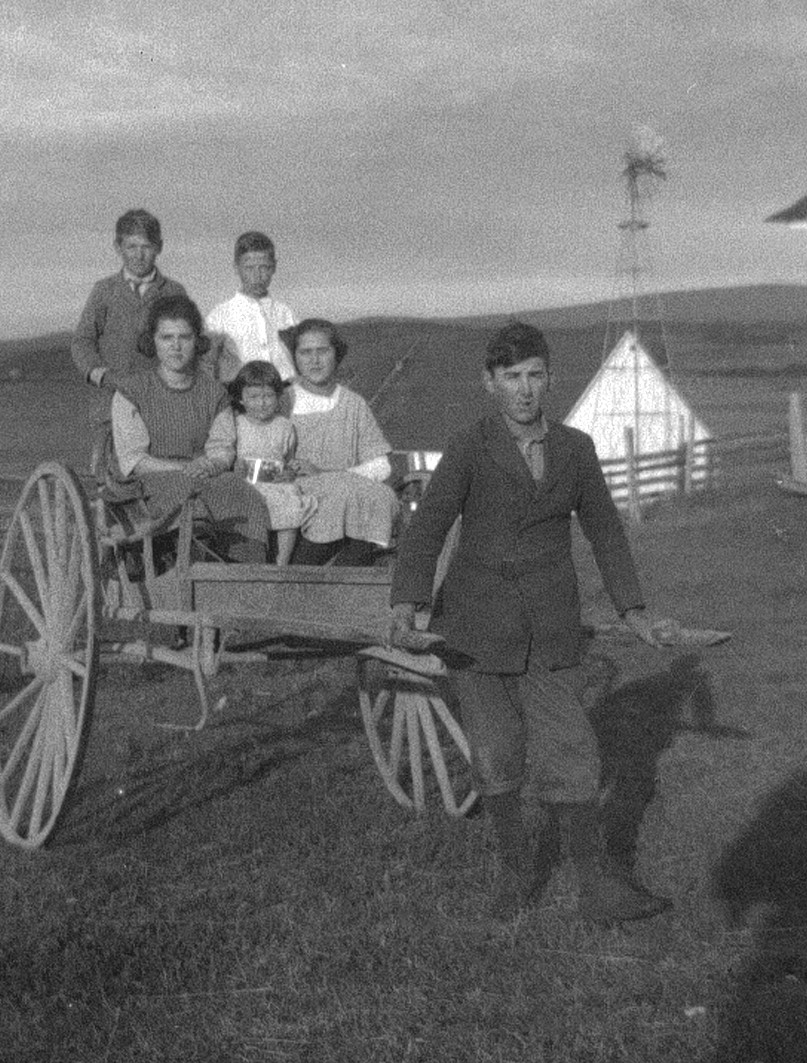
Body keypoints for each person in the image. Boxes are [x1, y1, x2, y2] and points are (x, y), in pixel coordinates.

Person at [389, 320, 672, 924]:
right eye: (511, 377)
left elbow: (604, 532)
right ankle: (516, 875)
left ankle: (598, 889)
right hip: (475, 627)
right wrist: (407, 604)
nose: (524, 390)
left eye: (535, 375)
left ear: (550, 378)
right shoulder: (469, 446)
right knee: (495, 754)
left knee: (572, 750)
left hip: (550, 625)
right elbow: (430, 526)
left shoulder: (575, 449)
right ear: (489, 383)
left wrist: (634, 607)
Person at [103, 296, 270, 562]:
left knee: (242, 493)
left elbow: (222, 448)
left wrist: (213, 465)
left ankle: (247, 576)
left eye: (185, 337)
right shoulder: (131, 392)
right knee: (190, 493)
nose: (176, 347)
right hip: (147, 483)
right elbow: (134, 460)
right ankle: (194, 571)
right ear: (153, 341)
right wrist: (187, 469)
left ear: (197, 341)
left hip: (204, 475)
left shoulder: (214, 393)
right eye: (167, 338)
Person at [280, 319, 400, 565]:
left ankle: (350, 575)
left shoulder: (353, 404)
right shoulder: (284, 401)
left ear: (337, 354)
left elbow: (381, 465)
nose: (314, 360)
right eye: (305, 352)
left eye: (322, 351)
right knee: (346, 495)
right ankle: (303, 571)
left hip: (347, 492)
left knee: (382, 496)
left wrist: (330, 474)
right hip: (298, 493)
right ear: (295, 357)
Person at [71, 208, 189, 390]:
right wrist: (98, 374)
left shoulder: (174, 292)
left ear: (159, 247)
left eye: (146, 246)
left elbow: (189, 342)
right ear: (118, 248)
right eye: (131, 247)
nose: (139, 255)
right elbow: (83, 340)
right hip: (109, 402)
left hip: (162, 401)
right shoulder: (104, 290)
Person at [228, 360, 313, 566]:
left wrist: (289, 472)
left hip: (278, 486)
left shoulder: (284, 427)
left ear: (278, 397)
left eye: (268, 396)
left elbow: (288, 460)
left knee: (292, 500)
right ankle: (257, 560)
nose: (262, 403)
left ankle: (281, 563)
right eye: (254, 397)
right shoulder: (236, 425)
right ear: (241, 399)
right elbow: (234, 464)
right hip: (246, 484)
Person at [204, 231, 298, 384]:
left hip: (287, 393)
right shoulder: (218, 317)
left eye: (264, 267)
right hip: (242, 396)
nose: (257, 275)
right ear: (236, 268)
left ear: (274, 267)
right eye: (249, 268)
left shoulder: (285, 314)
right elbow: (208, 365)